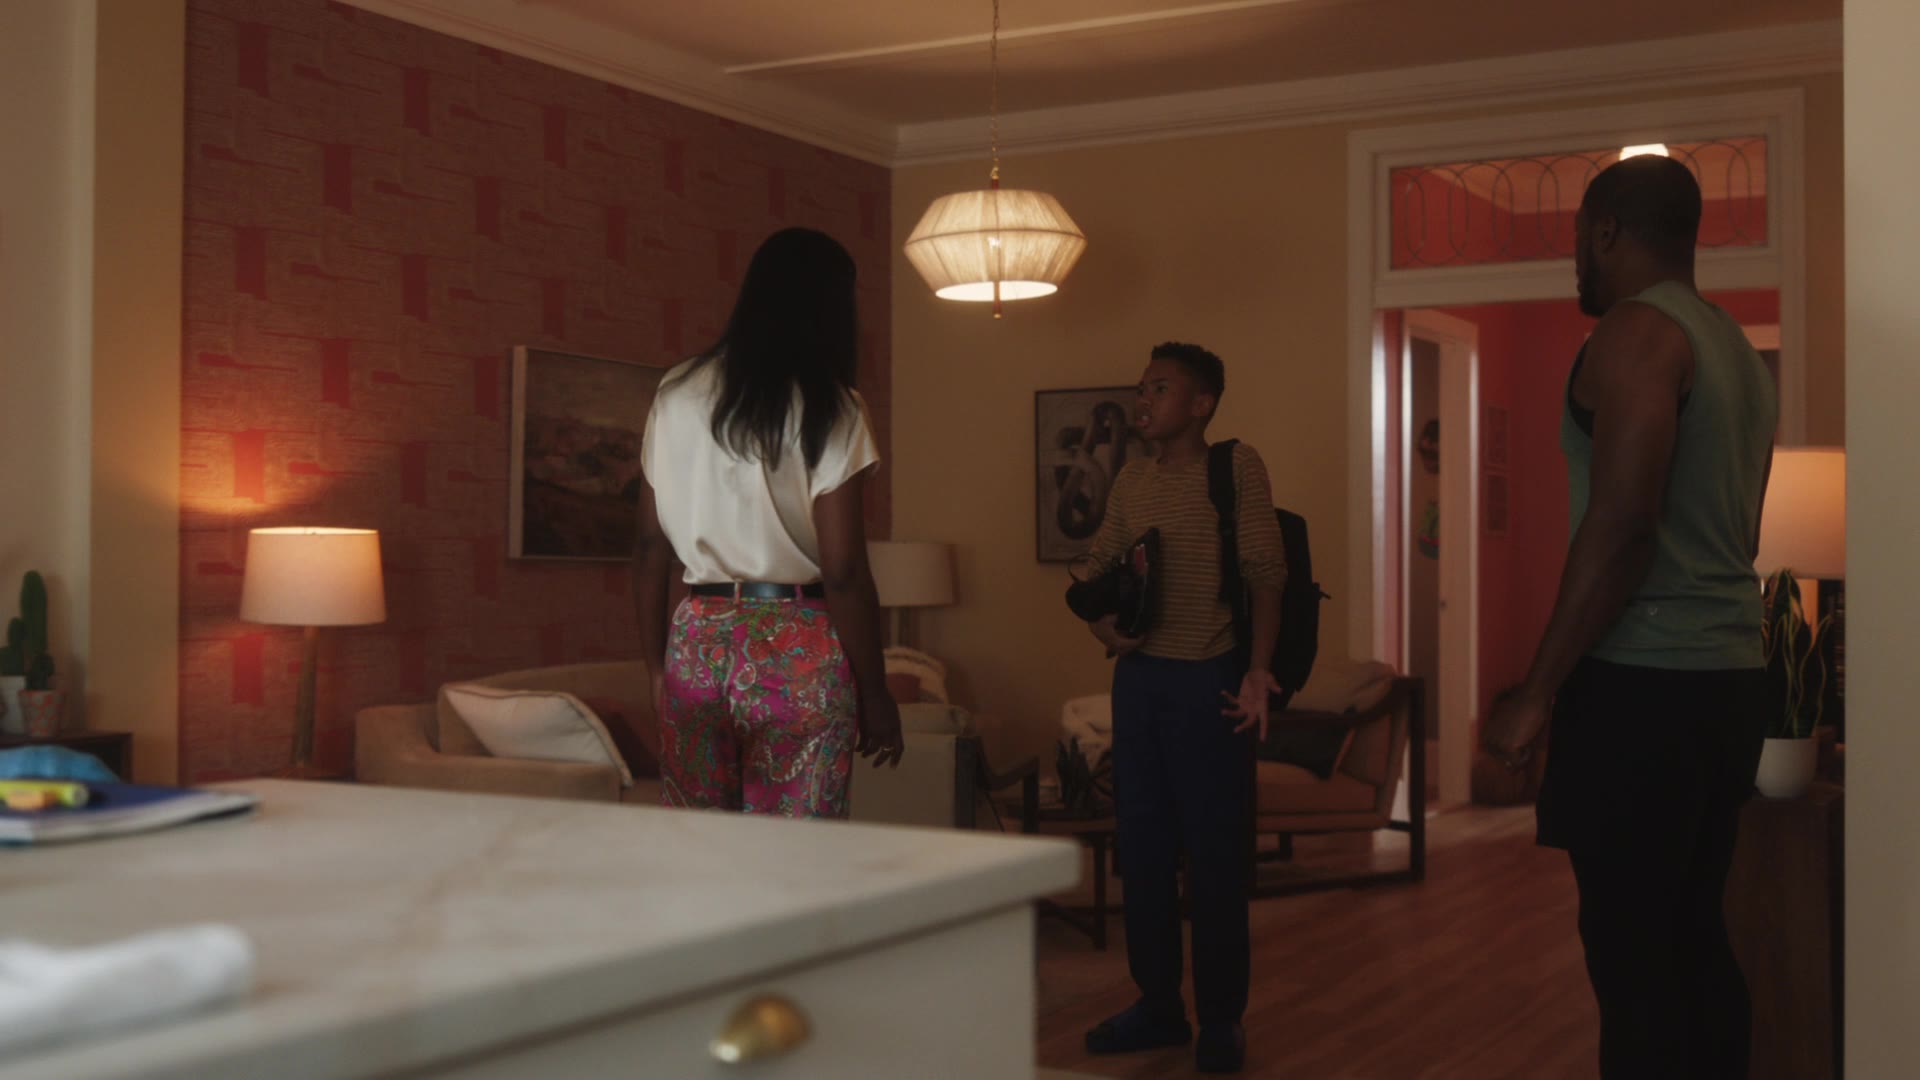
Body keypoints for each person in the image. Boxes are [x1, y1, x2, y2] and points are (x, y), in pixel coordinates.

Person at [1485, 155, 1776, 1080]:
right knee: (1693, 937)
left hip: (1644, 686)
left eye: (1578, 238)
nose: (1575, 258)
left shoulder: (1636, 332)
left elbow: (1622, 526)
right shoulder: (1734, 349)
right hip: (1731, 680)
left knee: (1634, 960)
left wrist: (1537, 691)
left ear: (1604, 231)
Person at [633, 227, 903, 819]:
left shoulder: (675, 393)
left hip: (696, 644)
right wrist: (876, 693)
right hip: (798, 647)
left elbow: (650, 547)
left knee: (698, 848)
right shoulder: (833, 405)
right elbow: (844, 571)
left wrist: (656, 670)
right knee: (797, 855)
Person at [1077, 342, 1286, 1075]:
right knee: (1142, 852)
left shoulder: (1236, 468)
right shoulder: (1132, 479)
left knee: (1215, 858)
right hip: (1139, 684)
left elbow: (1266, 571)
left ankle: (1222, 1019)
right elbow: (1097, 571)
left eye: (1160, 389)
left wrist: (1258, 671)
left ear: (1201, 404)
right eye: (1142, 388)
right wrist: (1104, 628)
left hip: (1210, 682)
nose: (1144, 400)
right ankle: (1159, 1004)